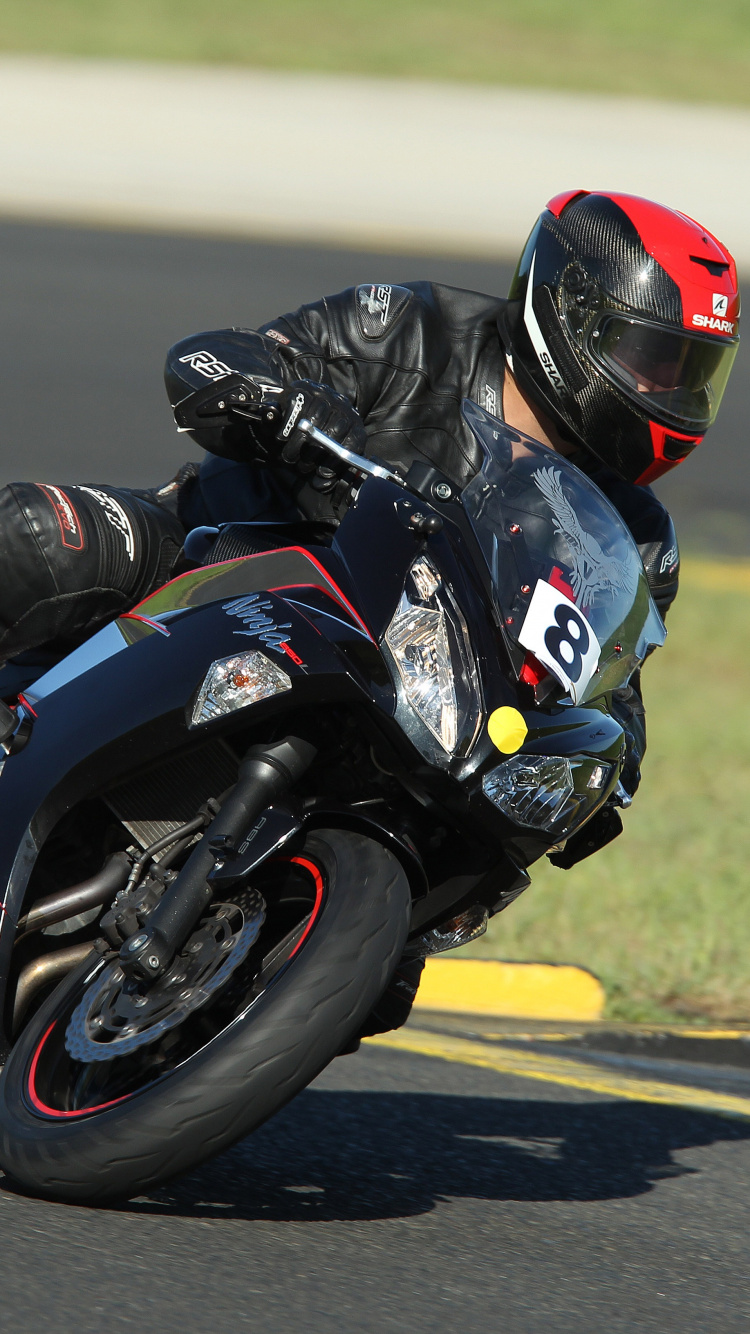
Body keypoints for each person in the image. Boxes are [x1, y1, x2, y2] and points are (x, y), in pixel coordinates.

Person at [0, 190, 740, 1030]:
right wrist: (275, 395)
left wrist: (609, 761)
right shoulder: (416, 329)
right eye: (649, 359)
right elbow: (218, 358)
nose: (666, 391)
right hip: (222, 557)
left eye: (689, 371)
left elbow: (616, 688)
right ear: (568, 312)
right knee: (40, 539)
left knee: (384, 974)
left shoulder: (638, 540)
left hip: (412, 701)